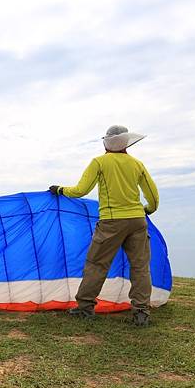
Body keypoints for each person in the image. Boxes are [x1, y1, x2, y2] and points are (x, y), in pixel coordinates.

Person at [49, 125, 159, 326]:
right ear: (126, 142)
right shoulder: (137, 164)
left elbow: (80, 190)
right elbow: (153, 195)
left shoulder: (99, 162)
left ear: (106, 142)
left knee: (97, 264)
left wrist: (60, 190)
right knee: (140, 267)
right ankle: (141, 313)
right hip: (137, 221)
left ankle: (85, 307)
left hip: (111, 222)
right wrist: (148, 209)